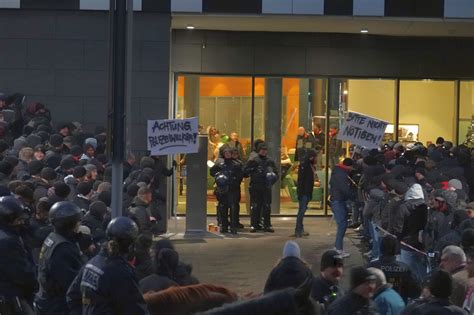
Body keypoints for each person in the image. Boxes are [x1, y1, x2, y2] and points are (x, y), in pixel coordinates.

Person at [67, 216, 148, 314]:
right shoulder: (121, 273)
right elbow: (136, 310)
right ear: (130, 245)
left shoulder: (91, 263)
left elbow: (72, 296)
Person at [35, 201, 84, 314]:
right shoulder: (63, 248)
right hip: (57, 305)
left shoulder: (53, 238)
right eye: (78, 221)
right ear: (72, 223)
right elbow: (72, 283)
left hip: (46, 299)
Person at [0, 196, 36, 315]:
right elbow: (21, 274)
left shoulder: (10, 233)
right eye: (18, 219)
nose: (21, 222)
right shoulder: (7, 241)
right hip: (13, 296)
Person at [367, 235, 420, 301]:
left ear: (381, 248)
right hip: (399, 306)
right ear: (395, 249)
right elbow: (415, 292)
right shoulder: (404, 268)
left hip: (376, 305)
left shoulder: (371, 267)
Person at [244, 142, 278, 233]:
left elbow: (276, 173)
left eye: (265, 150)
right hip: (256, 186)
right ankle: (254, 225)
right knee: (255, 206)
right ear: (259, 150)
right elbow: (245, 172)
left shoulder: (270, 161)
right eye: (262, 150)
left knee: (267, 206)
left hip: (266, 186)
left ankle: (267, 225)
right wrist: (252, 169)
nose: (264, 152)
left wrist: (272, 180)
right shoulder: (254, 160)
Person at [210, 146, 243, 234]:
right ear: (223, 154)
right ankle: (224, 226)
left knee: (233, 208)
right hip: (222, 189)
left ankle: (233, 227)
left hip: (233, 189)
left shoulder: (237, 164)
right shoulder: (219, 163)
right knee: (223, 208)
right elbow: (212, 172)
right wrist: (219, 177)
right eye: (226, 153)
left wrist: (234, 181)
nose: (228, 154)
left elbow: (241, 175)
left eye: (229, 153)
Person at [329, 158, 356, 257]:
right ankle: (338, 248)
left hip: (337, 199)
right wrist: (353, 195)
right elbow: (345, 189)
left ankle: (338, 247)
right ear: (348, 166)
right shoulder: (341, 174)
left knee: (342, 224)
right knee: (342, 225)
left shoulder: (338, 171)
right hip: (338, 200)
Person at [294, 149, 317, 238]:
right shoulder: (305, 165)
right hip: (304, 192)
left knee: (302, 211)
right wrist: (302, 193)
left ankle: (300, 229)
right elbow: (302, 181)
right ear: (312, 157)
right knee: (301, 211)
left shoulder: (309, 165)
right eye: (315, 157)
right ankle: (298, 230)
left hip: (306, 192)